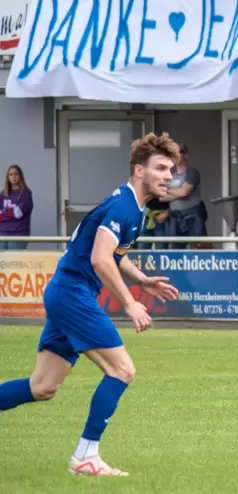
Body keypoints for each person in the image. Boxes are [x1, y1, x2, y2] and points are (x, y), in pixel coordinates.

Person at [0, 133, 181, 475]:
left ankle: (85, 457)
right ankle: (86, 456)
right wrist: (130, 302)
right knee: (122, 369)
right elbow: (101, 259)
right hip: (72, 293)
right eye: (161, 168)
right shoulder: (124, 206)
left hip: (65, 292)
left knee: (42, 387)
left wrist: (141, 280)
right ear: (139, 171)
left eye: (171, 169)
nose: (169, 176)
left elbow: (113, 254)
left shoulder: (133, 207)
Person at [0, 165, 34, 250]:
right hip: (2, 232)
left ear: (20, 176)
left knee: (13, 262)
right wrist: (10, 212)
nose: (13, 177)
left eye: (16, 174)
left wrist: (3, 212)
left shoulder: (25, 193)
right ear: (8, 177)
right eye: (10, 174)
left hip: (18, 233)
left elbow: (17, 213)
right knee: (3, 262)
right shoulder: (4, 193)